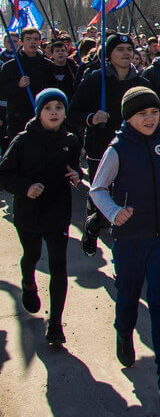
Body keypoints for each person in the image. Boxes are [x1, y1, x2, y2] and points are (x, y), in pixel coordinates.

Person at [88, 87, 160, 397]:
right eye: (142, 114)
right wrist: (114, 213)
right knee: (129, 293)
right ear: (129, 117)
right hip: (130, 235)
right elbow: (97, 189)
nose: (149, 119)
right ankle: (123, 333)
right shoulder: (117, 149)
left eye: (154, 113)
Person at [0, 88, 82, 344]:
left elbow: (74, 165)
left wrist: (75, 175)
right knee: (32, 255)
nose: (54, 112)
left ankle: (55, 324)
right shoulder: (23, 141)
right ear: (39, 112)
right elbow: (5, 174)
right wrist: (26, 188)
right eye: (48, 108)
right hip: (29, 212)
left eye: (59, 107)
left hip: (58, 210)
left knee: (59, 266)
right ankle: (28, 283)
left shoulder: (71, 140)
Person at [69, 34, 150, 257]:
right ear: (109, 54)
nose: (126, 53)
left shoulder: (141, 83)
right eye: (120, 49)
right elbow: (72, 112)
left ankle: (123, 251)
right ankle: (93, 225)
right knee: (103, 200)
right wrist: (92, 118)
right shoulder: (96, 80)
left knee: (126, 201)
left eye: (129, 49)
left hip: (132, 149)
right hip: (101, 148)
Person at [0, 27, 55, 145]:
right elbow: (2, 91)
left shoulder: (48, 65)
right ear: (21, 42)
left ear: (40, 42)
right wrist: (17, 85)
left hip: (42, 116)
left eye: (35, 39)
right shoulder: (11, 66)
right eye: (28, 39)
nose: (32, 42)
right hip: (18, 118)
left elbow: (54, 90)